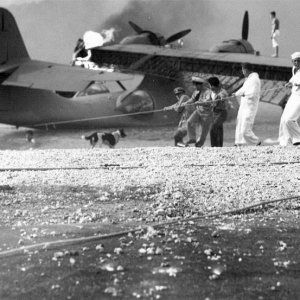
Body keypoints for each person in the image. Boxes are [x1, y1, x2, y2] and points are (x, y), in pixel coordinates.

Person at [233, 63, 261, 146]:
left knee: (245, 127)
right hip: (244, 106)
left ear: (245, 70)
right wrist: (236, 94)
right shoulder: (248, 79)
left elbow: (253, 93)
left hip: (250, 106)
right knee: (239, 123)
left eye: (242, 70)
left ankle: (256, 142)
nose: (242, 72)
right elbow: (243, 89)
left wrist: (245, 94)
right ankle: (239, 142)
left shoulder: (255, 79)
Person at [278, 52, 300, 146]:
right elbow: (294, 78)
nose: (296, 63)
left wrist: (294, 84)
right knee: (283, 119)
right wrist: (289, 82)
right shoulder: (294, 69)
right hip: (293, 95)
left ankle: (298, 138)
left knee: (289, 119)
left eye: (298, 61)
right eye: (294, 61)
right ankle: (285, 141)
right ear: (292, 62)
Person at [185, 76, 213, 147]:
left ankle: (199, 144)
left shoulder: (208, 92)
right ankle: (192, 138)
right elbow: (192, 99)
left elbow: (208, 101)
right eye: (195, 86)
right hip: (198, 111)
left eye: (197, 85)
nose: (195, 87)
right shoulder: (196, 92)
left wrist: (200, 103)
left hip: (207, 114)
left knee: (204, 131)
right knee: (189, 122)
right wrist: (186, 102)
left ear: (200, 85)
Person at [207, 77, 229, 147]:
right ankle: (218, 146)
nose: (209, 87)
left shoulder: (222, 92)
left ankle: (215, 146)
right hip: (214, 113)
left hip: (221, 113)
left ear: (213, 85)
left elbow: (223, 96)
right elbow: (208, 101)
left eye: (210, 85)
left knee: (213, 127)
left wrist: (221, 98)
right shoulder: (211, 93)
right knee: (218, 129)